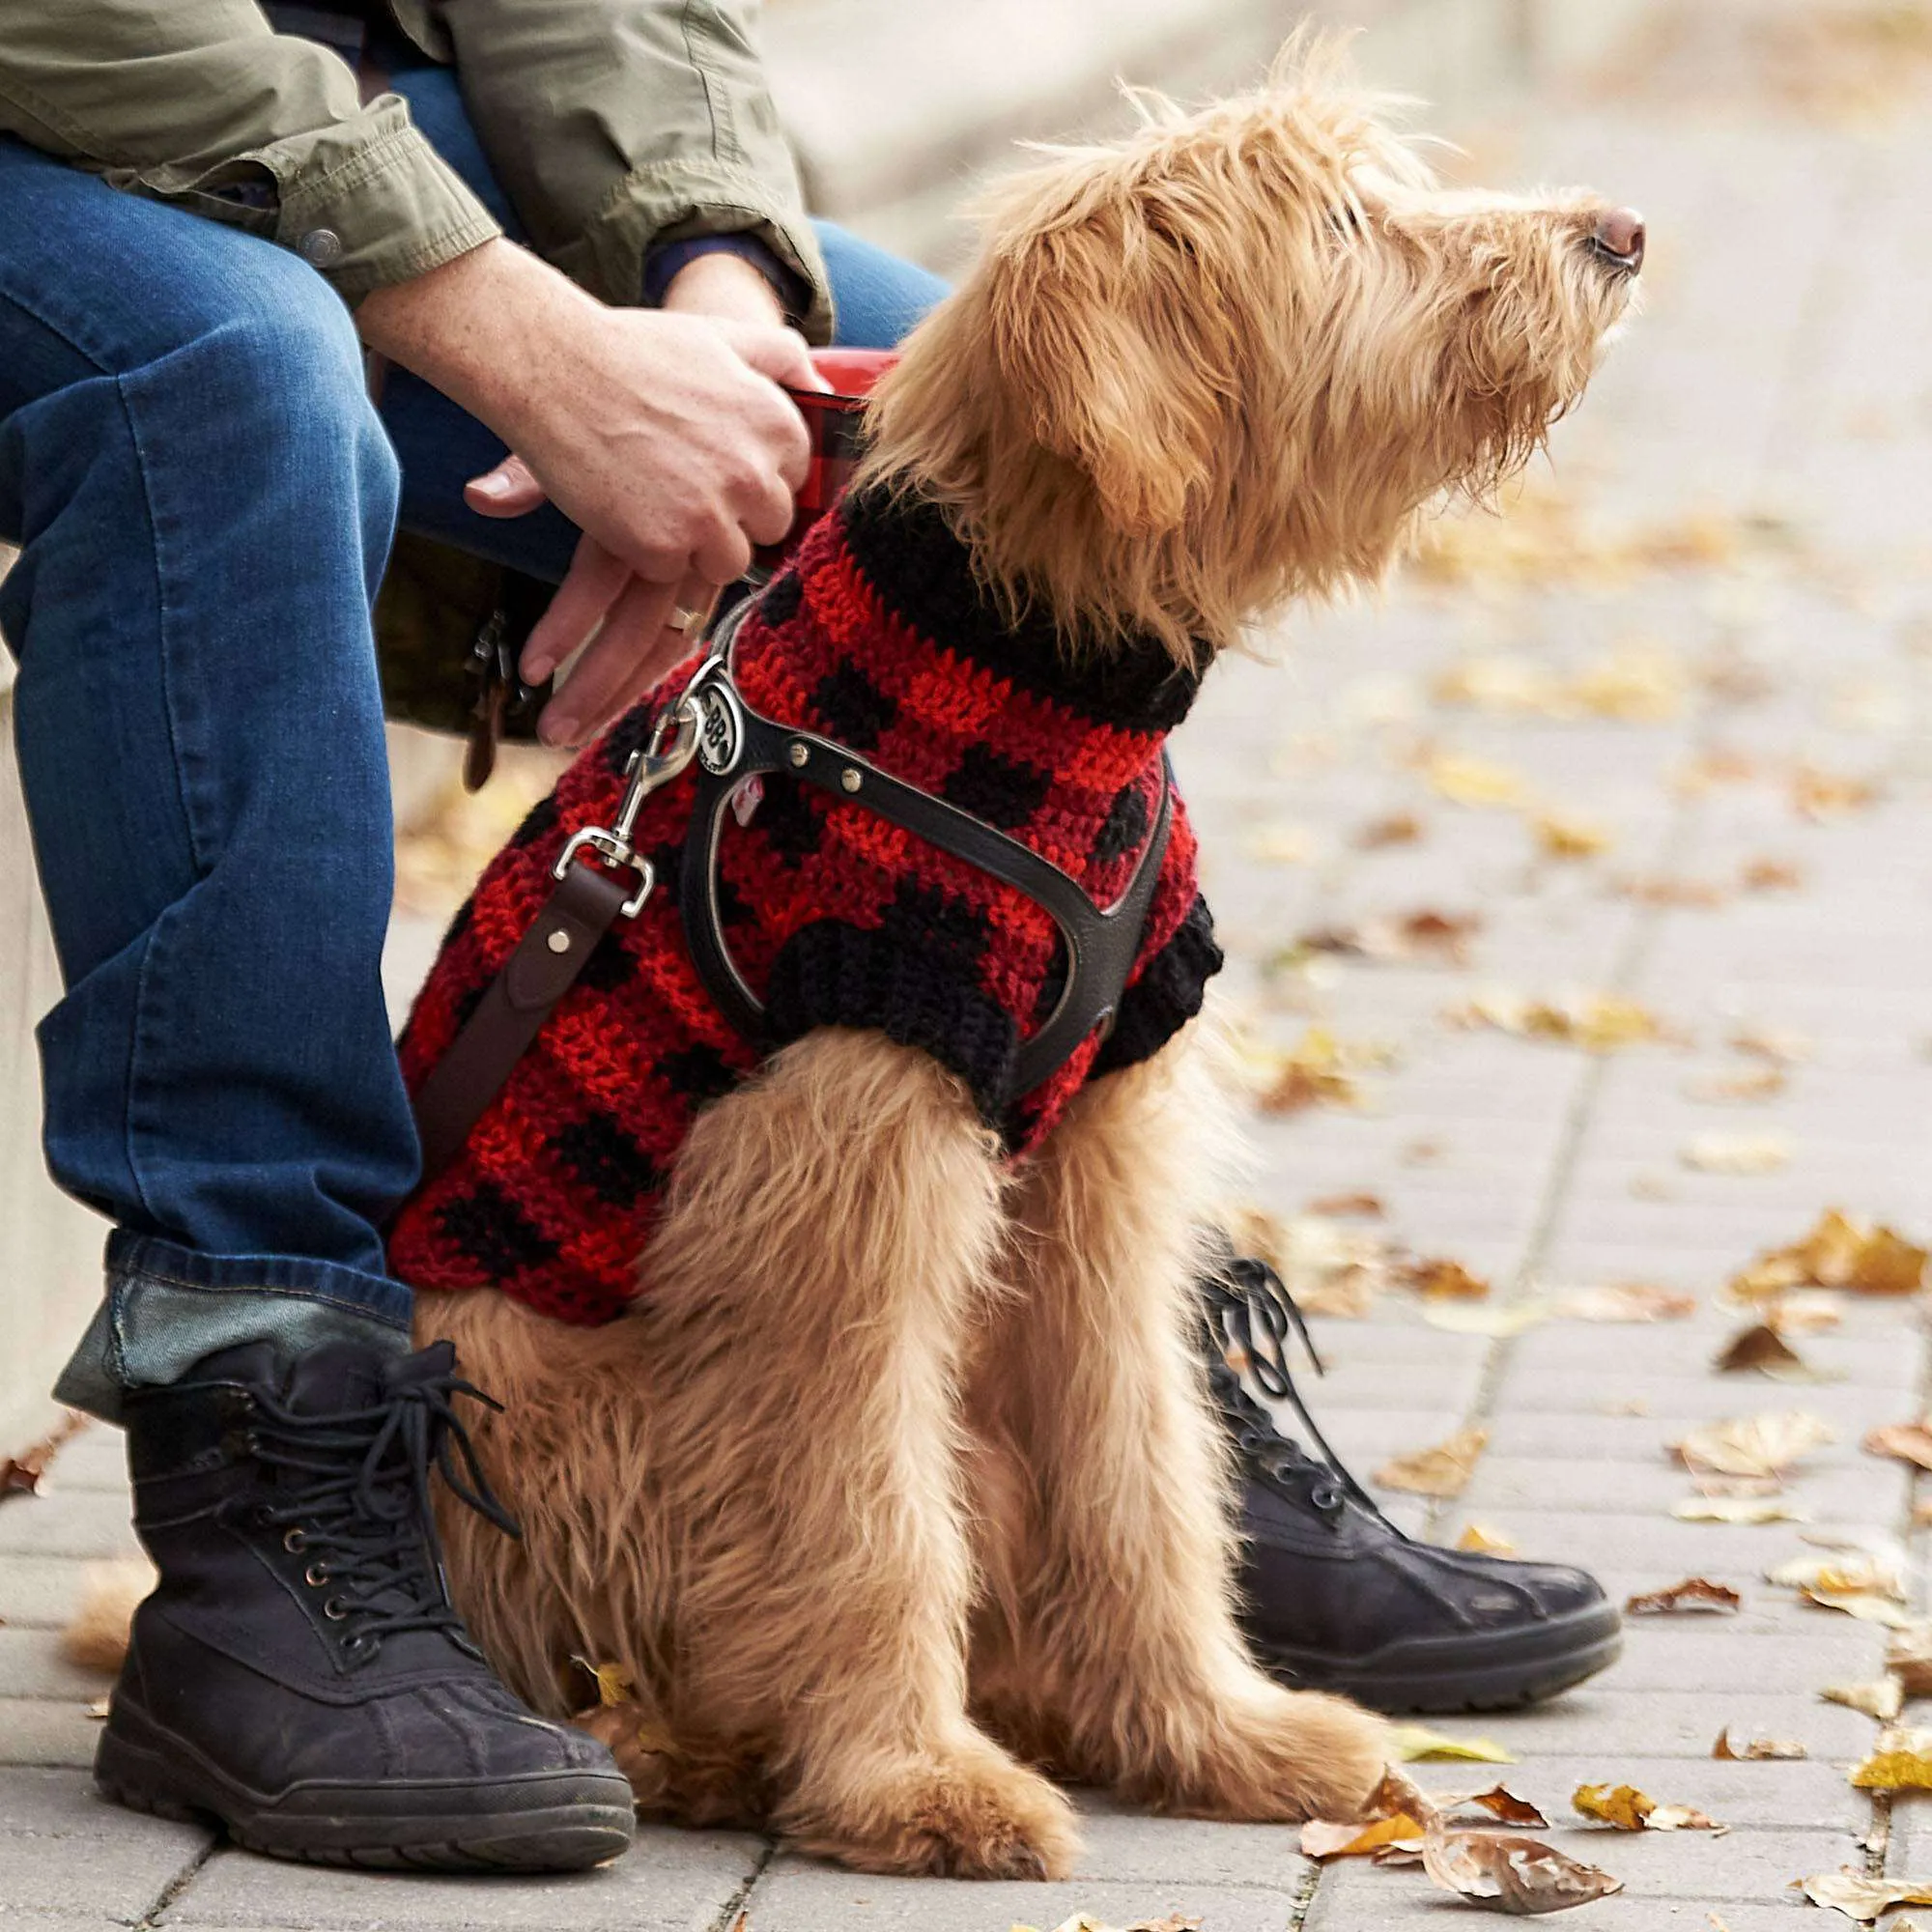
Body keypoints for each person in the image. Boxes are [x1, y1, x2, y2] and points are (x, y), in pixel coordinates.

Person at [0, 0, 1615, 1874]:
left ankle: (1119, 1546)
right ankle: (273, 1437)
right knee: (242, 375)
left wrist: (712, 290)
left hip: (318, 96)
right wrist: (535, 356)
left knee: (956, 401)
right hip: (87, 84)